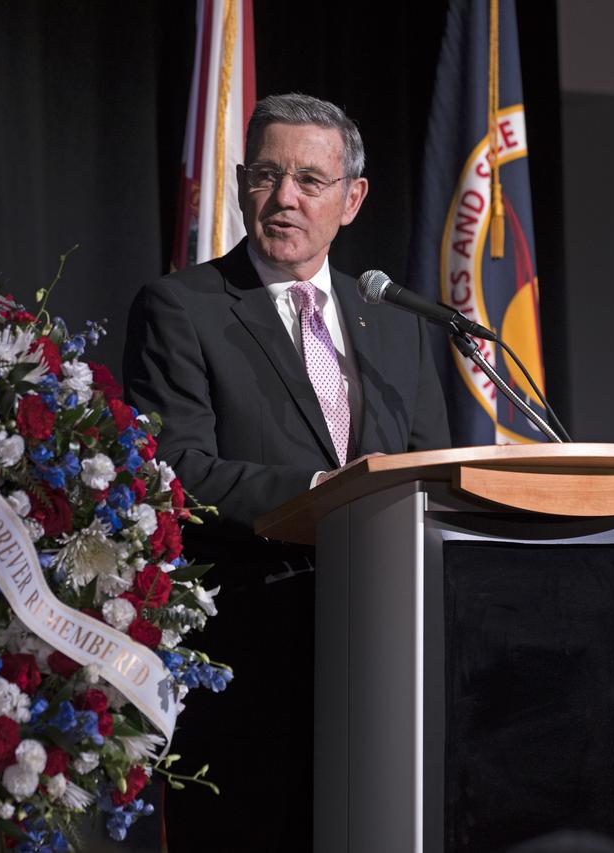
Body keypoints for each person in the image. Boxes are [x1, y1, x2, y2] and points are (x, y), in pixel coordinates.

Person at [123, 93, 450, 851]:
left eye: (310, 178)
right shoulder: (184, 307)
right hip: (249, 662)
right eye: (267, 176)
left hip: (387, 665)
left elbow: (428, 468)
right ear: (240, 184)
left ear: (353, 198)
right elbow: (173, 468)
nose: (286, 198)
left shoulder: (397, 322)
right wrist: (322, 496)